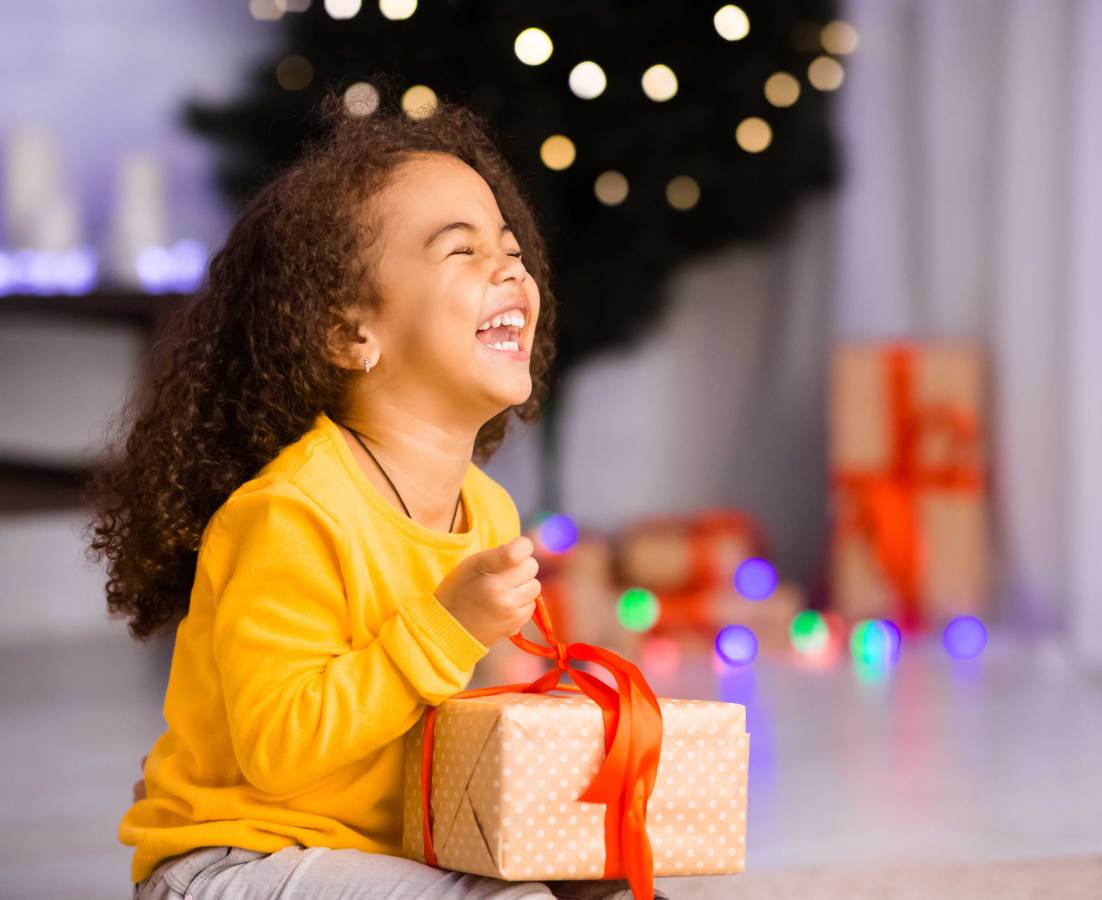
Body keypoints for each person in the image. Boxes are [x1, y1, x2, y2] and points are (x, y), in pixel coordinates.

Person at [85, 82, 666, 900]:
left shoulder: (486, 512)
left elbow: (487, 720)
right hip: (236, 863)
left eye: (509, 244)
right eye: (460, 249)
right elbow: (279, 751)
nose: (509, 265)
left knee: (609, 884)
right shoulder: (291, 512)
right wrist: (446, 625)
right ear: (353, 333)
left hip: (392, 855)